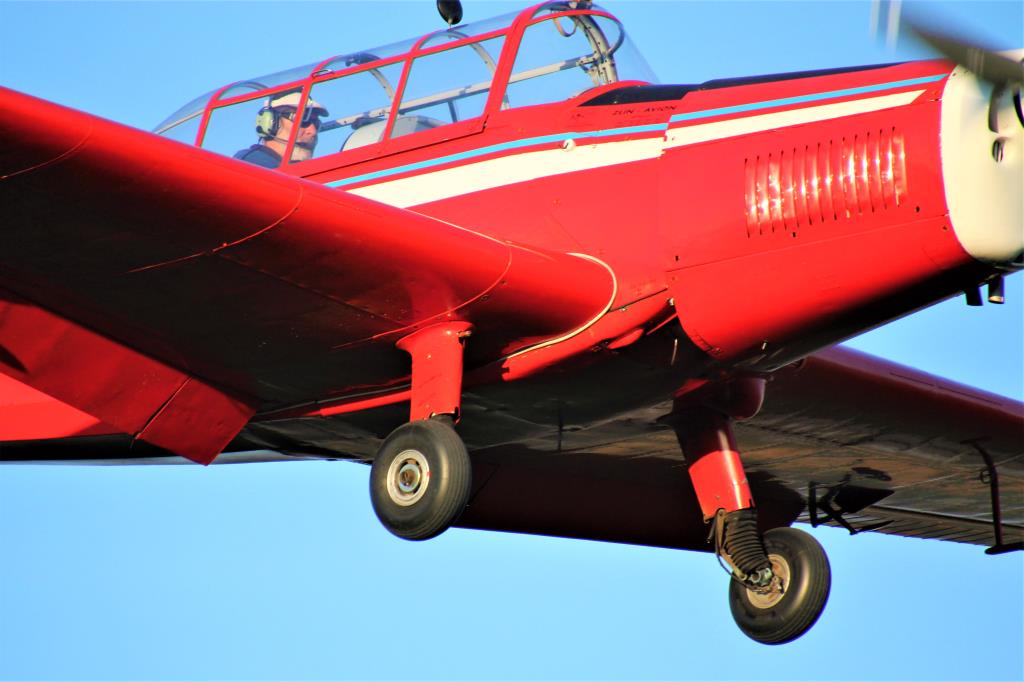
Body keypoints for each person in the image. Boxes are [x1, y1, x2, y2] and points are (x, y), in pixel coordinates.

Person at [234, 92, 329, 168]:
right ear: (270, 123)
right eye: (302, 120)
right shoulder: (248, 164)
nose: (313, 132)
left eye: (316, 123)